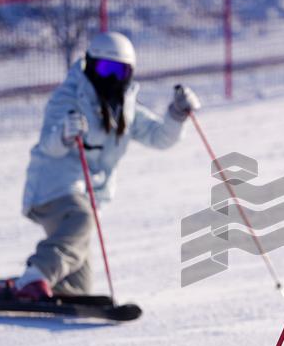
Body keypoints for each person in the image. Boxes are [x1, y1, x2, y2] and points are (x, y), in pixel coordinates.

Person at [11, 31, 201, 301]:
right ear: (89, 65)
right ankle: (37, 274)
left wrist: (176, 115)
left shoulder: (124, 108)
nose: (111, 79)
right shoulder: (69, 97)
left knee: (78, 286)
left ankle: (25, 285)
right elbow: (47, 144)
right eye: (105, 69)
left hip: (87, 197)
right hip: (53, 189)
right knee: (82, 219)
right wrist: (65, 133)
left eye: (119, 71)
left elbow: (159, 137)